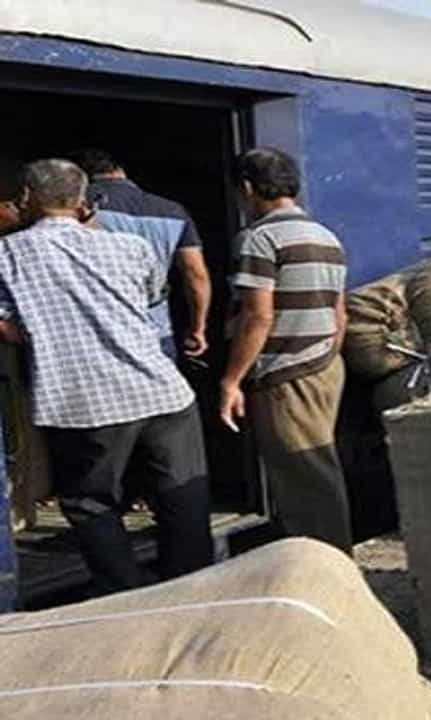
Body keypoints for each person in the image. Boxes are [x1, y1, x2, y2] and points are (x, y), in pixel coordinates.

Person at [0, 159, 213, 592]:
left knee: (90, 502)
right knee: (182, 495)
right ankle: (193, 587)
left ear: (26, 198)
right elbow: (148, 297)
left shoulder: (7, 255)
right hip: (162, 392)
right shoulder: (130, 247)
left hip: (83, 403)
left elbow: (8, 330)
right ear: (83, 200)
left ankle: (126, 594)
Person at [220, 147, 352, 553]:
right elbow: (339, 313)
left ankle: (324, 568)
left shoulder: (259, 239)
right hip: (324, 366)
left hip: (287, 375)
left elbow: (258, 316)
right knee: (316, 468)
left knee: (304, 482)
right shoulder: (326, 236)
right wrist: (325, 358)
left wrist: (231, 381)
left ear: (247, 188)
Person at [75, 149, 211, 359]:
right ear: (121, 171)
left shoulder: (78, 208)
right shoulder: (173, 211)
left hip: (98, 324)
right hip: (155, 325)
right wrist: (198, 328)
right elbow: (196, 275)